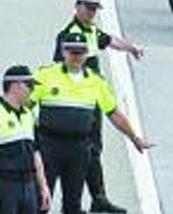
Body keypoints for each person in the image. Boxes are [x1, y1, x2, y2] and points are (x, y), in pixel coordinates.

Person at [33, 33, 152, 214]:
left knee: (73, 203)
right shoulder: (45, 75)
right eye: (72, 51)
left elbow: (114, 113)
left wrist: (134, 137)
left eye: (80, 52)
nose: (76, 56)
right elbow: (23, 107)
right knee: (41, 200)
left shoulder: (96, 82)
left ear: (87, 54)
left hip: (79, 148)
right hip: (49, 146)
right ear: (63, 52)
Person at [53, 0, 144, 213]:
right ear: (77, 6)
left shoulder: (91, 31)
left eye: (95, 9)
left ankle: (98, 197)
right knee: (85, 151)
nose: (92, 12)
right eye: (88, 8)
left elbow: (109, 40)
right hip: (77, 103)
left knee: (94, 149)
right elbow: (59, 70)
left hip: (92, 101)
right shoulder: (69, 36)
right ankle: (90, 199)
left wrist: (130, 47)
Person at [0, 65, 52, 214]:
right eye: (29, 86)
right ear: (15, 85)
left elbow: (35, 152)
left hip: (29, 185)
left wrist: (43, 187)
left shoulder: (28, 115)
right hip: (5, 186)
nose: (32, 90)